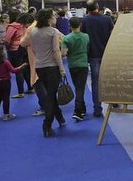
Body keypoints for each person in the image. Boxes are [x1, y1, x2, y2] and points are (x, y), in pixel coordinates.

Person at [23, 9, 66, 138]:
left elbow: (34, 50)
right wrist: (62, 68)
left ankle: (60, 117)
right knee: (51, 96)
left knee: (50, 94)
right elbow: (56, 51)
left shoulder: (33, 32)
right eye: (53, 16)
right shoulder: (53, 32)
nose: (55, 17)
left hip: (39, 67)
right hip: (52, 67)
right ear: (48, 18)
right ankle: (47, 124)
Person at [81, 0, 114, 117]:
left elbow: (83, 38)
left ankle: (97, 109)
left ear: (87, 9)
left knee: (95, 82)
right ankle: (114, 101)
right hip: (108, 54)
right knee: (110, 78)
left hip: (93, 54)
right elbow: (113, 35)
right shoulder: (107, 19)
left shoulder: (84, 20)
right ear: (98, 7)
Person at [61, 17, 89, 121]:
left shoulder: (66, 38)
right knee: (80, 88)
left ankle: (80, 110)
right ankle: (79, 111)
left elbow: (63, 53)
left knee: (78, 87)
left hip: (72, 65)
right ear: (80, 25)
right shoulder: (86, 36)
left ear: (70, 26)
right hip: (83, 64)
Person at [0, 45, 27, 121]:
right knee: (6, 98)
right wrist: (22, 66)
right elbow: (13, 70)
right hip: (5, 82)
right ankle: (6, 114)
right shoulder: (6, 62)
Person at [5, 12, 34, 98]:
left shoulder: (12, 26)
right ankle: (30, 87)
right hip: (24, 48)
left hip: (14, 50)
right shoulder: (24, 26)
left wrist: (7, 49)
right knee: (25, 69)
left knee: (18, 70)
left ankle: (20, 92)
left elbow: (7, 39)